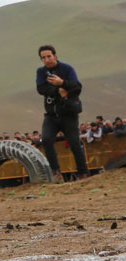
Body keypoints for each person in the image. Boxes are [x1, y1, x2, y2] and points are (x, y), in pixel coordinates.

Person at [37, 44, 89, 179]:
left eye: (49, 56)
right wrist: (58, 90)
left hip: (68, 113)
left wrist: (62, 82)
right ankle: (55, 172)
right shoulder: (41, 72)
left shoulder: (67, 68)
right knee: (47, 139)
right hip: (51, 114)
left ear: (55, 55)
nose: (47, 59)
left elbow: (77, 87)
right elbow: (41, 89)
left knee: (74, 143)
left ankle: (83, 173)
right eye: (43, 57)